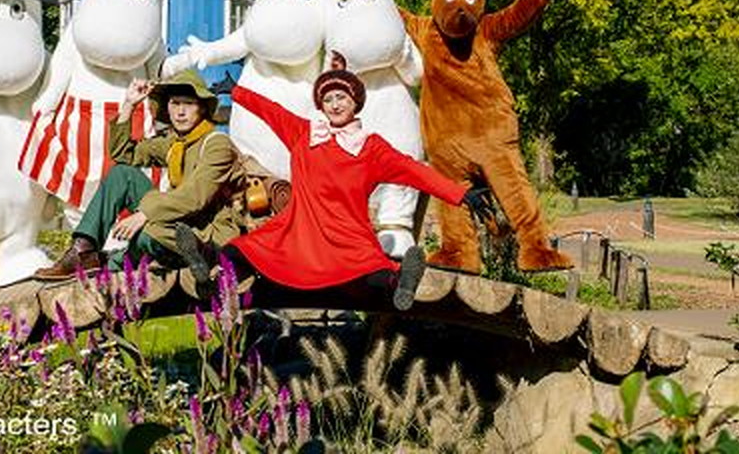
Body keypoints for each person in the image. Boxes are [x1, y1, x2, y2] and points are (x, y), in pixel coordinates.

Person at [176, 53, 495, 310]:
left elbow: (415, 170)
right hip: (299, 231)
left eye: (342, 97)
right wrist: (237, 92)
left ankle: (402, 285)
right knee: (242, 252)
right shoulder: (305, 133)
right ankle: (207, 267)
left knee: (374, 275)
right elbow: (271, 111)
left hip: (348, 238)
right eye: (328, 100)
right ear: (321, 105)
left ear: (355, 102)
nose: (335, 104)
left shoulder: (371, 148)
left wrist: (460, 194)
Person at [35, 70, 248, 279]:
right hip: (176, 224)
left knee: (148, 233)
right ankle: (84, 251)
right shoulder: (174, 144)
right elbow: (123, 155)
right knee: (123, 174)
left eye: (188, 104)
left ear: (201, 108)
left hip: (208, 232)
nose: (180, 112)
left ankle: (196, 255)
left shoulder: (217, 144)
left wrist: (144, 214)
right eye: (175, 103)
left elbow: (195, 196)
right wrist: (129, 104)